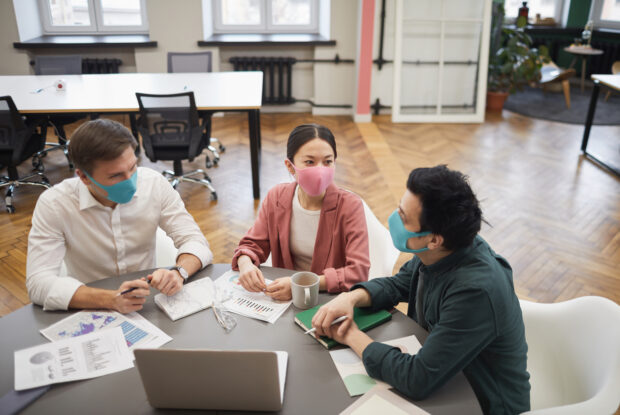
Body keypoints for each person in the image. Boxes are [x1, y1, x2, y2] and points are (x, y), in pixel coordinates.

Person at [312, 165, 530, 415]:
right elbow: (399, 283)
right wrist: (350, 298)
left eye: (404, 217)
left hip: (481, 403)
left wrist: (350, 335)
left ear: (434, 239)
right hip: (447, 382)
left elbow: (418, 378)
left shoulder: (475, 291)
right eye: (399, 207)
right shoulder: (441, 250)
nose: (394, 218)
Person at [26, 118, 213, 313]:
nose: (130, 182)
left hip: (147, 302)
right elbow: (38, 283)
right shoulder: (54, 204)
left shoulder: (154, 184)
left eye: (132, 168)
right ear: (83, 177)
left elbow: (196, 241)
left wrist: (179, 272)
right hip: (89, 304)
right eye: (115, 176)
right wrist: (110, 299)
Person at [232, 123, 370, 300]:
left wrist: (301, 284)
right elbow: (252, 245)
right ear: (290, 166)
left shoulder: (350, 206)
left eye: (327, 161)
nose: (320, 170)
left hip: (330, 300)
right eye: (310, 162)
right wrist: (245, 264)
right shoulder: (276, 198)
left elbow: (358, 272)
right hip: (284, 297)